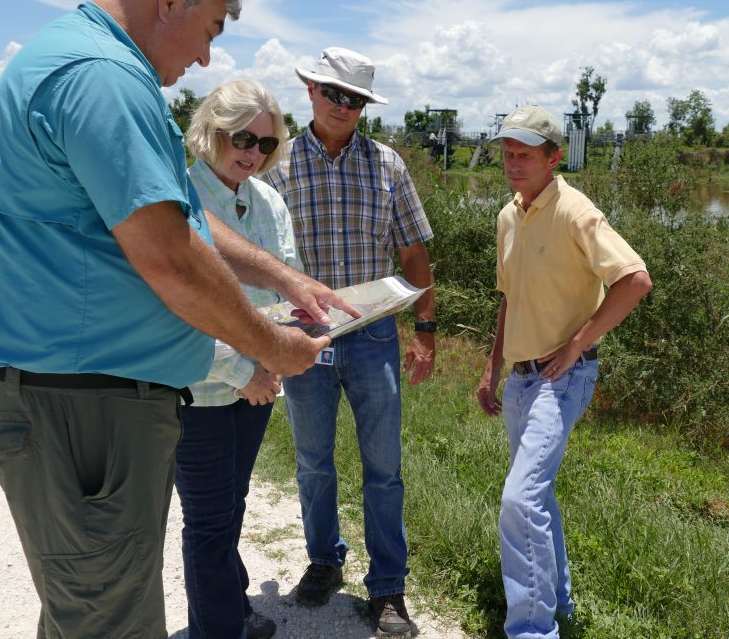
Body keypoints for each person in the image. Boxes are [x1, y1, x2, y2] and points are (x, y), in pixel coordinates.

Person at [0, 0, 348, 639]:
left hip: (80, 400)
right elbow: (171, 258)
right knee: (109, 622)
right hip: (86, 412)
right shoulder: (106, 76)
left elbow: (179, 225)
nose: (207, 54)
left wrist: (282, 277)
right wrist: (271, 346)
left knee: (90, 613)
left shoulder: (76, 60)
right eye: (208, 29)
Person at [266, 47, 435, 638]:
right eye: (333, 93)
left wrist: (427, 330)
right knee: (313, 462)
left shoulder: (388, 166)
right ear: (310, 90)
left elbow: (414, 253)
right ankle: (323, 560)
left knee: (383, 469)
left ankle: (388, 588)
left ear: (365, 106)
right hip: (303, 340)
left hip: (372, 339)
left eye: (355, 98)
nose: (343, 106)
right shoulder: (277, 165)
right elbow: (257, 255)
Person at [475, 106, 652, 639]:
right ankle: (561, 602)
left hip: (562, 378)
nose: (513, 163)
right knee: (537, 497)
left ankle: (533, 630)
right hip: (521, 378)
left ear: (554, 158)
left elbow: (635, 280)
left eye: (525, 154)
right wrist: (492, 370)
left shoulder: (576, 212)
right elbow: (509, 300)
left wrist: (577, 346)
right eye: (507, 153)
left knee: (520, 499)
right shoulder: (509, 215)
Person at [175, 79, 298, 639]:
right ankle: (218, 628)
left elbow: (283, 296)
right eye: (243, 138)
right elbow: (179, 305)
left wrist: (269, 366)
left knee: (234, 505)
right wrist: (243, 369)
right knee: (207, 522)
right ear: (211, 131)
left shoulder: (270, 200)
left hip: (259, 384)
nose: (253, 153)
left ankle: (230, 610)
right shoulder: (178, 194)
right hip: (200, 386)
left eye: (266, 145)